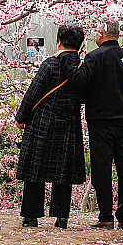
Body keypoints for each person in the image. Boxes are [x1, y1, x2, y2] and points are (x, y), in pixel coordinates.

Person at [68, 19, 123, 230]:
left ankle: (106, 216)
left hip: (99, 121)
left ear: (101, 34)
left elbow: (79, 82)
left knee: (102, 168)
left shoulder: (94, 57)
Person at [14, 25, 86, 228]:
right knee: (63, 171)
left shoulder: (50, 65)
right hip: (69, 124)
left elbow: (33, 93)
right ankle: (61, 218)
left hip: (43, 123)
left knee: (35, 169)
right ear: (79, 46)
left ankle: (31, 216)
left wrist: (21, 118)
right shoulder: (83, 68)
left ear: (59, 42)